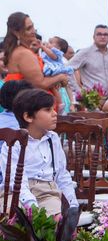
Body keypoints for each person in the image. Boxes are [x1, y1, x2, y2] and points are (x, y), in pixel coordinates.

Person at [0, 88, 78, 216]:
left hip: (47, 191)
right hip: (15, 193)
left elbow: (62, 174)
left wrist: (72, 204)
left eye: (53, 109)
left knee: (59, 219)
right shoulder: (14, 143)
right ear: (28, 117)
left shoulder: (52, 139)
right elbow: (16, 180)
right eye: (48, 110)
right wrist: (32, 206)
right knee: (14, 217)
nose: (54, 114)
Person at [3, 12, 68, 93]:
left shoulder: (19, 51)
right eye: (28, 28)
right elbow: (40, 84)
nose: (34, 31)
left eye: (33, 26)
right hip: (29, 103)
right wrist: (61, 77)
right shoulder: (23, 54)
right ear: (17, 33)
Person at [68, 24, 108, 97]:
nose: (102, 37)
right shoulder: (85, 53)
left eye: (106, 35)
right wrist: (78, 91)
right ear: (94, 37)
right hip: (92, 101)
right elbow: (67, 70)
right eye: (99, 34)